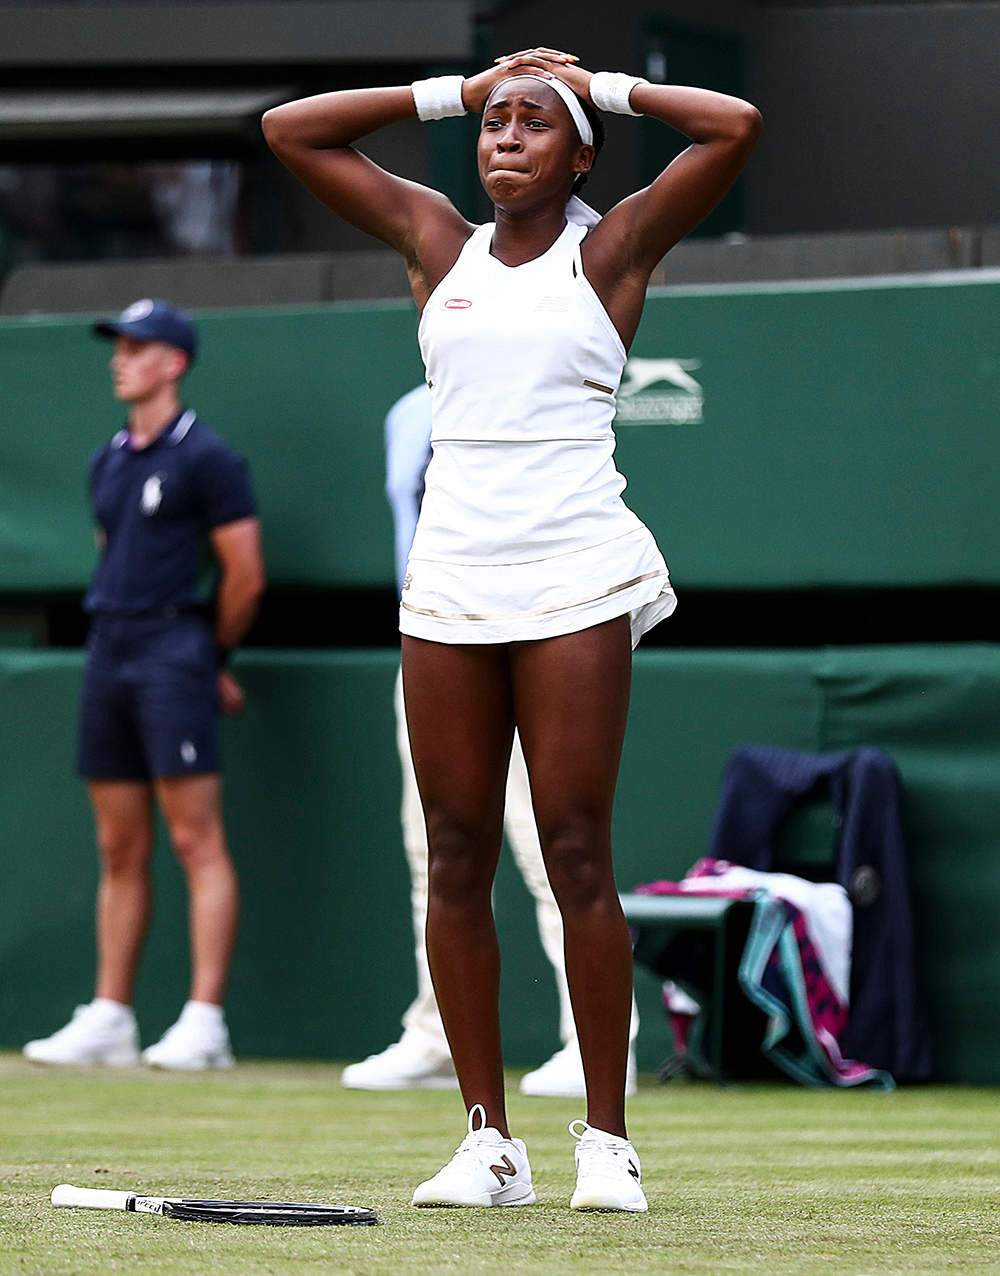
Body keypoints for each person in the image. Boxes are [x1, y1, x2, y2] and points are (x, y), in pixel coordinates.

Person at [263, 47, 760, 1211]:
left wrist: (605, 86)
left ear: (578, 153)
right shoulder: (439, 242)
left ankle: (604, 1138)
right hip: (449, 579)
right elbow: (292, 130)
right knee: (454, 852)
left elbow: (731, 125)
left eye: (534, 125)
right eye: (495, 125)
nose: (506, 139)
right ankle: (488, 1141)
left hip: (574, 570)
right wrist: (456, 88)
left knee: (577, 846)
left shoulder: (612, 247)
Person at [342, 381, 639, 1096]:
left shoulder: (545, 391)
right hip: (435, 643)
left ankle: (599, 1046)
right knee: (437, 853)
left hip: (536, 643)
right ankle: (436, 1033)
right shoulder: (405, 411)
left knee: (557, 849)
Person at [23, 298, 265, 1071]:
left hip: (175, 648)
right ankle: (112, 1015)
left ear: (174, 363)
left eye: (137, 347)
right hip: (110, 649)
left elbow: (245, 576)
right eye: (118, 346)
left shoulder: (209, 459)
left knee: (196, 840)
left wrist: (207, 657)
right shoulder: (107, 459)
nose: (119, 359)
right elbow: (110, 550)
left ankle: (204, 1022)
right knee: (116, 844)